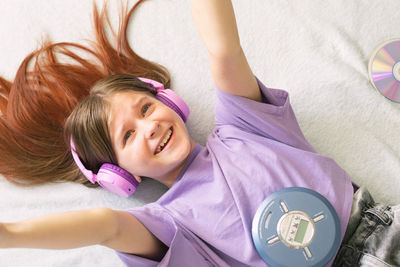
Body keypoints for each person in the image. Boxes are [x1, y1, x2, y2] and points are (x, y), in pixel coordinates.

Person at [0, 0, 398, 266]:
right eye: (127, 136)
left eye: (146, 108)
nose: (149, 125)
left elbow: (224, 48)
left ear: (170, 102)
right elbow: (107, 227)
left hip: (375, 226)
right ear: (117, 176)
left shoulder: (243, 124)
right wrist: (8, 235)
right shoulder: (169, 222)